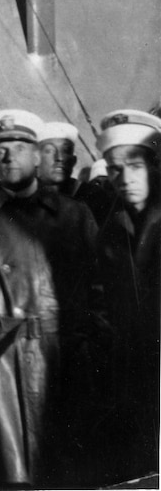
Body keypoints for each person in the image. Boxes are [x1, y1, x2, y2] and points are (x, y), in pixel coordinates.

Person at [0, 108, 99, 488]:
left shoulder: (74, 215)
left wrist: (93, 345)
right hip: (3, 364)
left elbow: (98, 289)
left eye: (19, 146)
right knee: (19, 478)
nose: (8, 156)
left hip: (65, 355)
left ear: (38, 153)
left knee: (74, 469)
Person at [89, 109, 161, 484]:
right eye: (114, 168)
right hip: (136, 372)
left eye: (135, 165)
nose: (124, 178)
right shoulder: (111, 234)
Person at [37, 121, 81, 196]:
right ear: (36, 158)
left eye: (66, 151)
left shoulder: (89, 195)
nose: (60, 158)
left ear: (74, 160)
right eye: (49, 151)